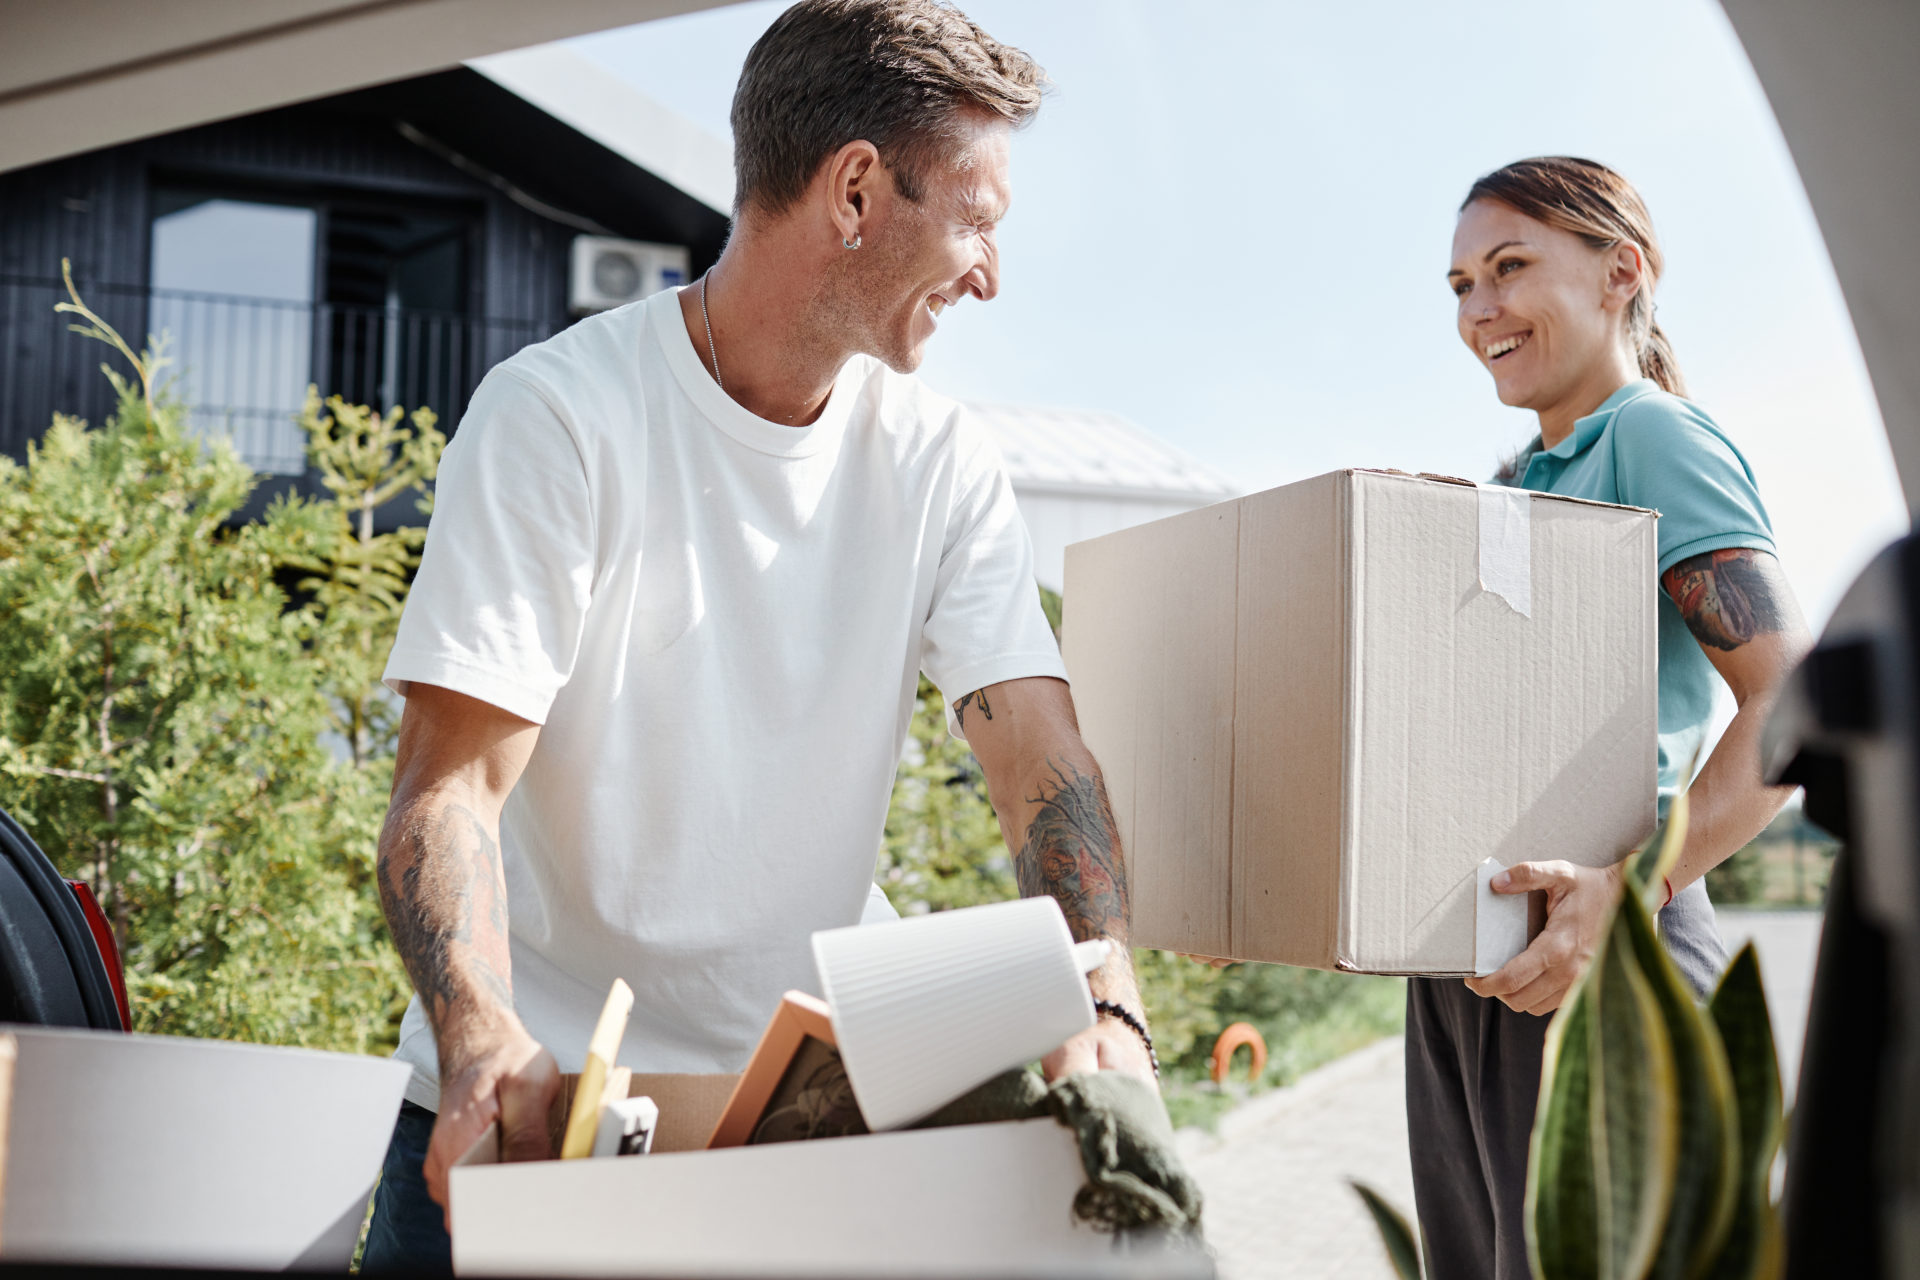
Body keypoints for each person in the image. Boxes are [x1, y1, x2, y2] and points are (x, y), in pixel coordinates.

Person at [358, 2, 1155, 1271]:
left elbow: (1039, 763)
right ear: (854, 190)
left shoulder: (940, 459)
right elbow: (448, 789)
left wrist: (1104, 995)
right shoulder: (560, 418)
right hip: (535, 1122)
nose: (991, 274)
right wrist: (479, 1034)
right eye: (979, 219)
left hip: (799, 1132)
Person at [1407, 156, 1814, 1280]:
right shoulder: (1521, 481)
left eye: (1508, 267)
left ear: (1620, 271)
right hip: (1479, 964)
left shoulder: (1653, 437)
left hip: (1603, 947)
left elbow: (1792, 706)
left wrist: (1628, 889)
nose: (1477, 307)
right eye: (1456, 285)